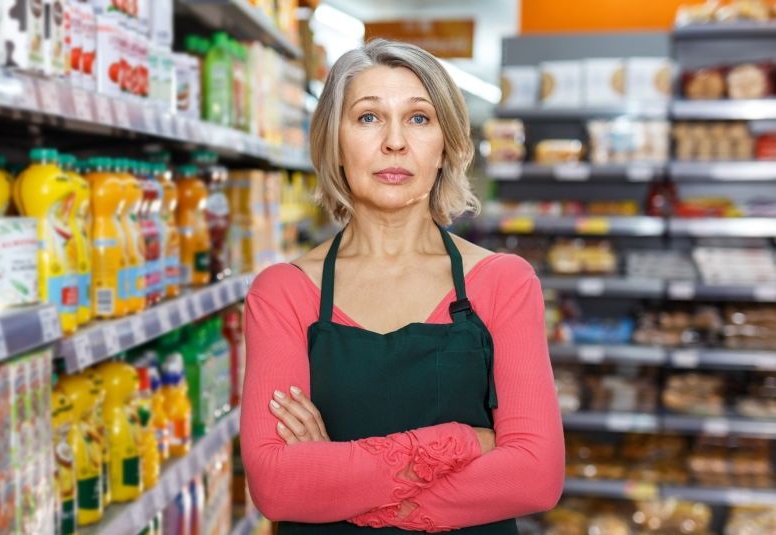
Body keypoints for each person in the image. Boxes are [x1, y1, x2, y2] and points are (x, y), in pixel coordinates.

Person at [240, 39, 564, 534]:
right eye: (368, 118)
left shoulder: (503, 282)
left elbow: (536, 477)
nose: (395, 142)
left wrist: (335, 473)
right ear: (335, 142)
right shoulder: (284, 292)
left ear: (446, 146)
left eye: (419, 118)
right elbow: (277, 487)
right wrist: (466, 442)